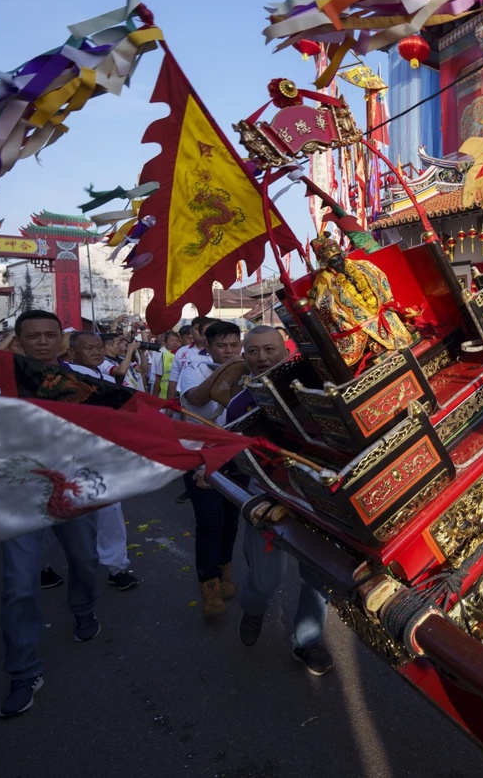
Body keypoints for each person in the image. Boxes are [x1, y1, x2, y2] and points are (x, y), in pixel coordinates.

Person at [0, 310, 101, 719]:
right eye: (32, 336)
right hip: (18, 493)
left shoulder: (84, 380)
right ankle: (23, 671)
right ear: (18, 342)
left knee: (85, 560)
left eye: (49, 335)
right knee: (19, 583)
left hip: (72, 488)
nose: (42, 342)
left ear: (62, 340)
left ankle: (83, 608)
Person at [229, 327, 335, 677]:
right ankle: (254, 609)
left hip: (319, 498)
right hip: (267, 498)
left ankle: (307, 640)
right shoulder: (240, 403)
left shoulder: (314, 386)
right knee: (264, 579)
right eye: (253, 351)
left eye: (270, 349)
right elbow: (237, 453)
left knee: (320, 576)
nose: (262, 357)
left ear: (286, 350)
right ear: (244, 356)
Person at [64, 333, 141, 591]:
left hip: (103, 459)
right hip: (68, 459)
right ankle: (42, 567)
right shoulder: (62, 374)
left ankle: (116, 567)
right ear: (73, 352)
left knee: (110, 513)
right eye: (89, 348)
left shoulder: (107, 377)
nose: (96, 352)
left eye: (99, 347)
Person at [179, 320, 244, 617]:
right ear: (209, 346)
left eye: (234, 345)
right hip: (199, 457)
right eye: (222, 345)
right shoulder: (194, 366)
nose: (229, 351)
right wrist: (223, 372)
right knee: (209, 521)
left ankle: (224, 570)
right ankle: (209, 585)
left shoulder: (249, 367)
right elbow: (195, 399)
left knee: (231, 519)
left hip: (237, 456)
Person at [308, 235, 412, 370]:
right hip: (355, 323)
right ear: (326, 265)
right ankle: (373, 346)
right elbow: (326, 309)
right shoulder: (323, 283)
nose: (339, 264)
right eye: (333, 262)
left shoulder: (361, 266)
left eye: (340, 259)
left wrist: (381, 303)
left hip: (379, 310)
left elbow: (380, 279)